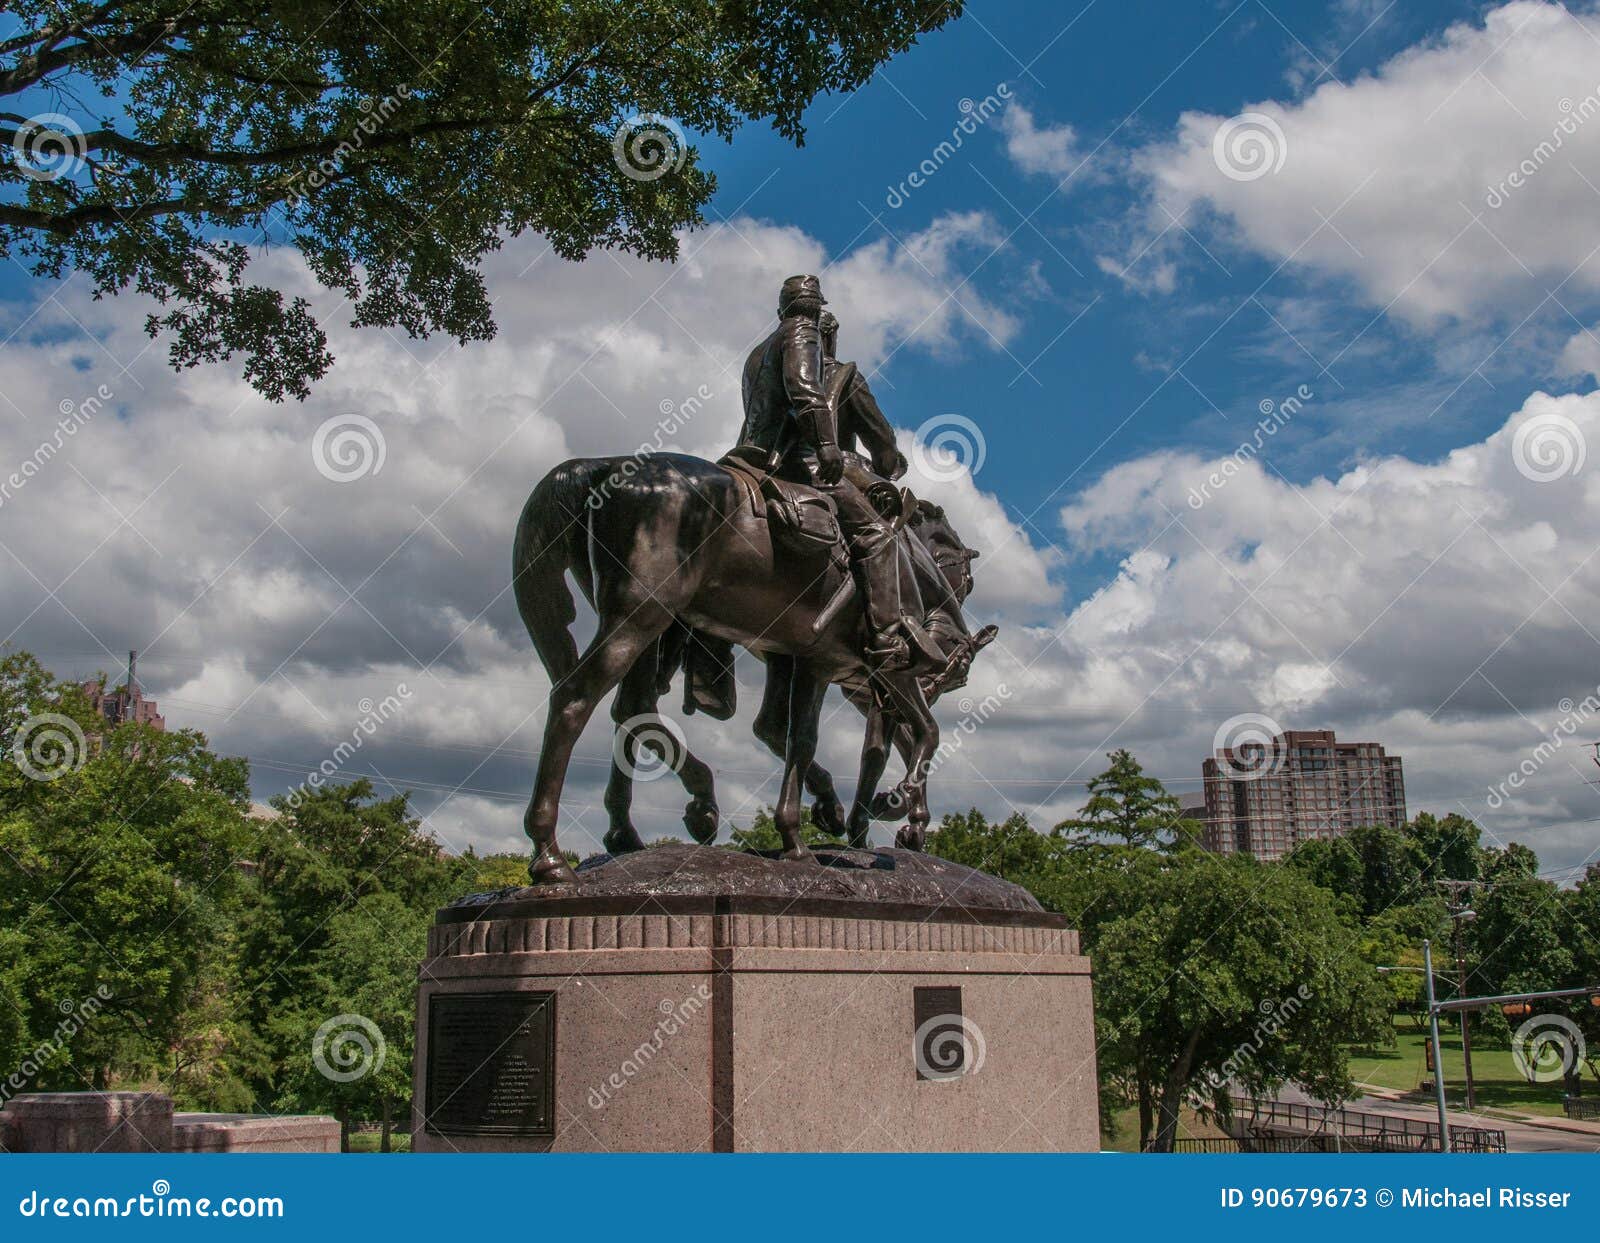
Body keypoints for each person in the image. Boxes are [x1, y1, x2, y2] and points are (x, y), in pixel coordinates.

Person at [737, 275, 910, 669]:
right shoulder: (810, 343)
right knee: (879, 536)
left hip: (751, 458)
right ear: (816, 315)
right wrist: (830, 446)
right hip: (799, 463)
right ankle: (886, 641)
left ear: (781, 308)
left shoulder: (758, 351)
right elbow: (806, 393)